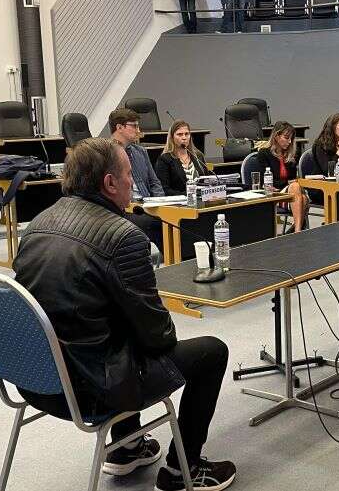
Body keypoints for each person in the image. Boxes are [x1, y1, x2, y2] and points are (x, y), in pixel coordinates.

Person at [13, 137, 236, 491]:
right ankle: (183, 470)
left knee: (114, 331)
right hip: (89, 389)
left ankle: (126, 447)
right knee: (211, 352)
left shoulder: (38, 224)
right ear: (109, 183)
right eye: (129, 174)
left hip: (36, 377)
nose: (133, 182)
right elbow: (159, 336)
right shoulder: (124, 237)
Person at [108, 108, 166, 252]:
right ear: (119, 127)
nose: (138, 130)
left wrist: (161, 203)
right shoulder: (106, 154)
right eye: (134, 126)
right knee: (155, 222)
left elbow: (154, 182)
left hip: (149, 205)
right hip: (126, 209)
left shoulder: (140, 151)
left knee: (174, 218)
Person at [256, 121, 309, 232]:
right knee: (297, 190)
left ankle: (296, 230)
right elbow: (264, 180)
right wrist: (288, 184)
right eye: (286, 138)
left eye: (291, 139)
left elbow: (292, 179)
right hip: (273, 193)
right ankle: (298, 231)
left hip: (288, 193)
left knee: (302, 196)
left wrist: (291, 183)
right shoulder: (264, 153)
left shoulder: (291, 155)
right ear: (276, 136)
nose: (289, 142)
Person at [155, 120, 213, 196]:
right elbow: (164, 189)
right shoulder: (165, 159)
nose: (184, 137)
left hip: (201, 198)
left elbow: (207, 180)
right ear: (172, 137)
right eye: (179, 134)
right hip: (180, 201)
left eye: (186, 134)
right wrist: (188, 195)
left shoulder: (198, 156)